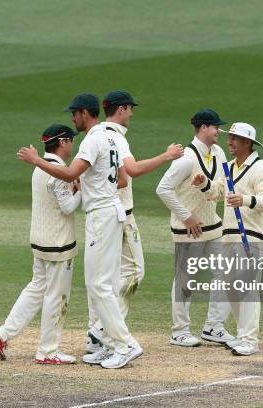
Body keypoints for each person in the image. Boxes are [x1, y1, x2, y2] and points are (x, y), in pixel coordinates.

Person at [18, 94, 142, 369]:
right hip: (110, 211)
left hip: (101, 216)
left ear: (85, 113)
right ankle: (111, 345)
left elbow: (67, 172)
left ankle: (125, 345)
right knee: (104, 285)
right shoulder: (111, 137)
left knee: (97, 285)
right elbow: (122, 179)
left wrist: (36, 160)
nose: (73, 120)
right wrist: (90, 182)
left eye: (74, 114)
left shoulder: (93, 139)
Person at [82, 90, 183, 354]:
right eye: (130, 109)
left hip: (110, 213)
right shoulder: (115, 136)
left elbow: (123, 178)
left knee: (106, 278)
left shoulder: (101, 134)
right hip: (120, 216)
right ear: (122, 109)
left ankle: (97, 337)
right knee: (133, 272)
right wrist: (166, 156)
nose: (133, 114)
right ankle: (103, 330)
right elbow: (133, 171)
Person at [0, 124, 81, 364]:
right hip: (59, 244)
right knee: (56, 296)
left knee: (36, 289)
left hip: (40, 241)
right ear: (62, 142)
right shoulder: (58, 170)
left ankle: (4, 333)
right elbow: (68, 207)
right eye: (71, 140)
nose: (73, 144)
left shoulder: (40, 168)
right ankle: (48, 351)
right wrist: (81, 189)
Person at [192, 122, 263, 355]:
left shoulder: (261, 168)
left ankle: (249, 340)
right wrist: (204, 184)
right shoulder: (229, 167)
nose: (229, 142)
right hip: (228, 236)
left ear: (247, 143)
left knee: (247, 288)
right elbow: (217, 192)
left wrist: (246, 200)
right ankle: (243, 335)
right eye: (229, 138)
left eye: (234, 139)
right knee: (231, 288)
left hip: (251, 236)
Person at [156, 108, 234, 347]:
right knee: (185, 280)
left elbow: (222, 187)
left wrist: (210, 187)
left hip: (213, 226)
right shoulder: (186, 158)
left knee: (226, 274)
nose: (219, 131)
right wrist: (186, 216)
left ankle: (214, 326)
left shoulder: (219, 152)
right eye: (215, 127)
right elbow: (162, 189)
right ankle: (179, 331)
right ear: (203, 128)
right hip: (187, 230)